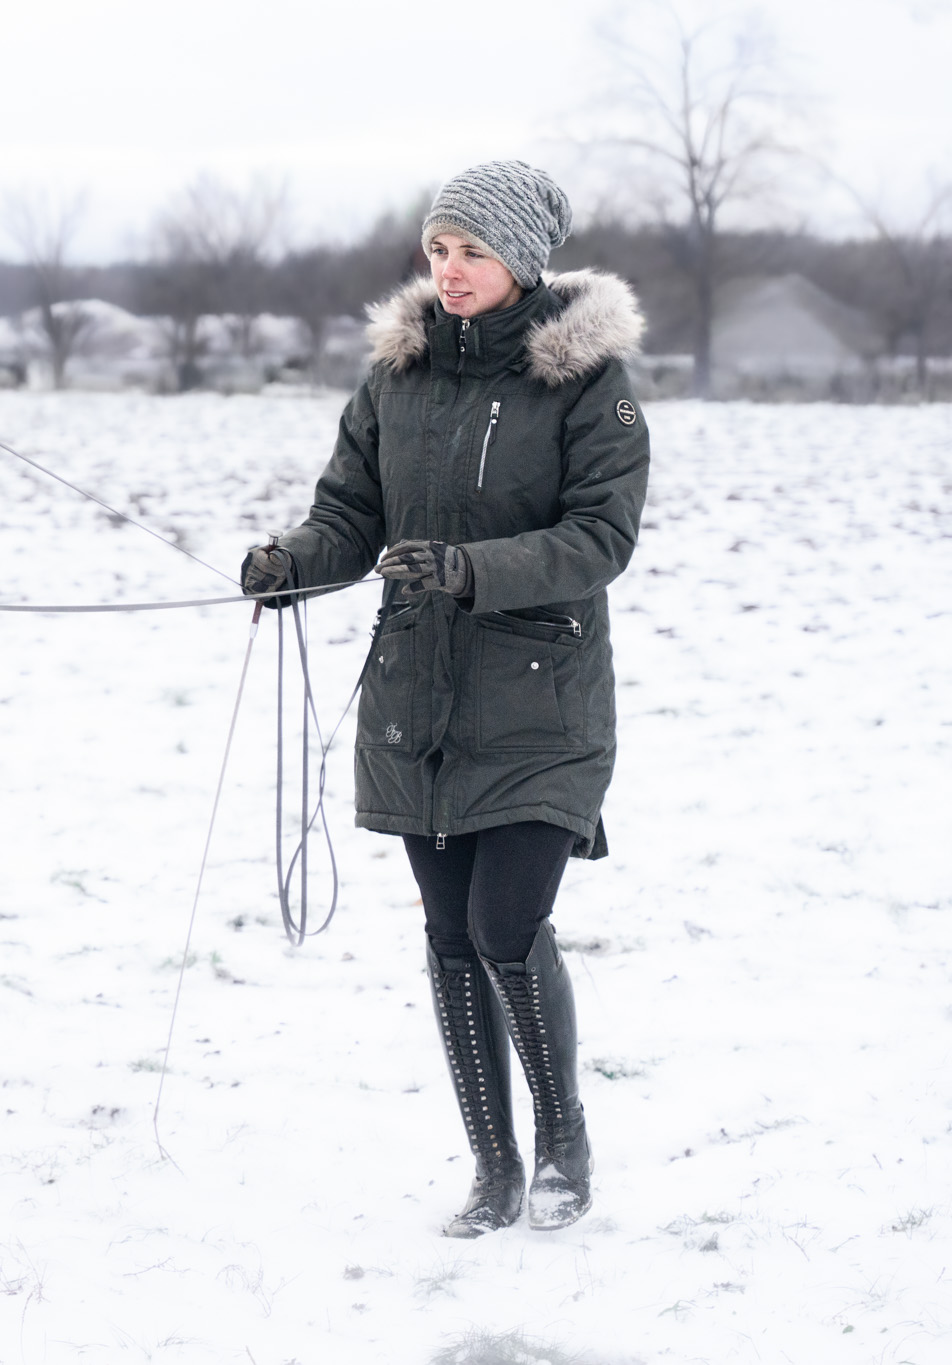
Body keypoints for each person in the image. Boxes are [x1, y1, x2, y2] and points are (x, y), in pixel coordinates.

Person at [241, 161, 648, 1237]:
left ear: (520, 259)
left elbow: (598, 540)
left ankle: (562, 1148)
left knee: (504, 924)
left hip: (535, 700)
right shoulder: (396, 380)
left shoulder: (586, 386)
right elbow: (348, 514)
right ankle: (491, 1167)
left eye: (471, 251)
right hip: (414, 701)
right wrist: (292, 562)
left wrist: (471, 569)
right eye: (437, 250)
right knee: (448, 936)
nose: (450, 270)